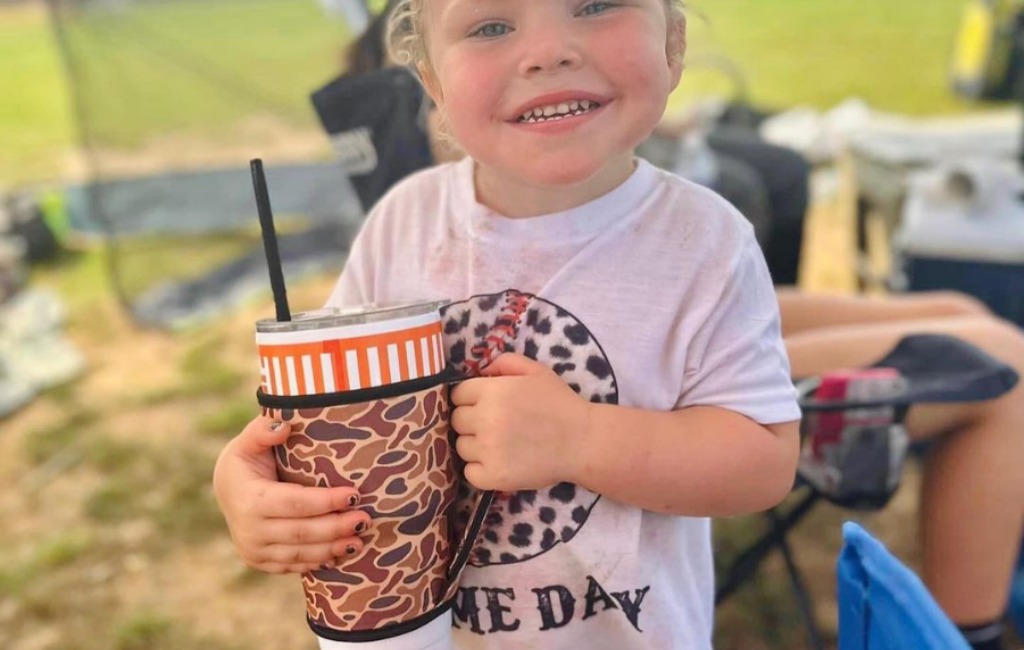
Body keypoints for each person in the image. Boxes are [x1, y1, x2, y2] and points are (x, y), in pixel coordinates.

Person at [214, 1, 801, 648]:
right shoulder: (402, 224)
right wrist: (253, 486)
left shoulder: (704, 242)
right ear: (432, 82)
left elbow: (763, 460)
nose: (548, 52)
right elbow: (326, 414)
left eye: (597, 5)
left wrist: (581, 439)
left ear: (674, 42)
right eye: (491, 25)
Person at [780, 288, 1024, 650]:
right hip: (678, 365)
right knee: (1003, 371)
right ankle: (958, 640)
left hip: (692, 301)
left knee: (958, 310)